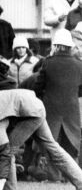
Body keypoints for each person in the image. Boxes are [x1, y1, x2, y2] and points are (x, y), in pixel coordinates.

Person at [34, 29, 82, 174]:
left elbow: (37, 87)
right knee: (71, 141)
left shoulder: (48, 62)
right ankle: (71, 174)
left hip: (51, 107)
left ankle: (52, 173)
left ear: (56, 45)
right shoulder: (79, 64)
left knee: (51, 140)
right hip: (71, 108)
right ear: (70, 46)